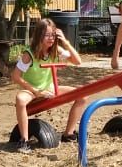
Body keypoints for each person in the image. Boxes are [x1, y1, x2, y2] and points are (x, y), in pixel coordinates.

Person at [12, 19, 87, 154]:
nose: (51, 38)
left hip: (50, 88)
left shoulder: (55, 50)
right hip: (33, 90)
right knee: (20, 99)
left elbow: (77, 61)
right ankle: (24, 140)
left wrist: (65, 42)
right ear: (39, 36)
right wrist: (36, 91)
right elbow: (16, 76)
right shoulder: (29, 54)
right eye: (47, 35)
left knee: (82, 96)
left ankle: (68, 134)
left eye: (53, 35)